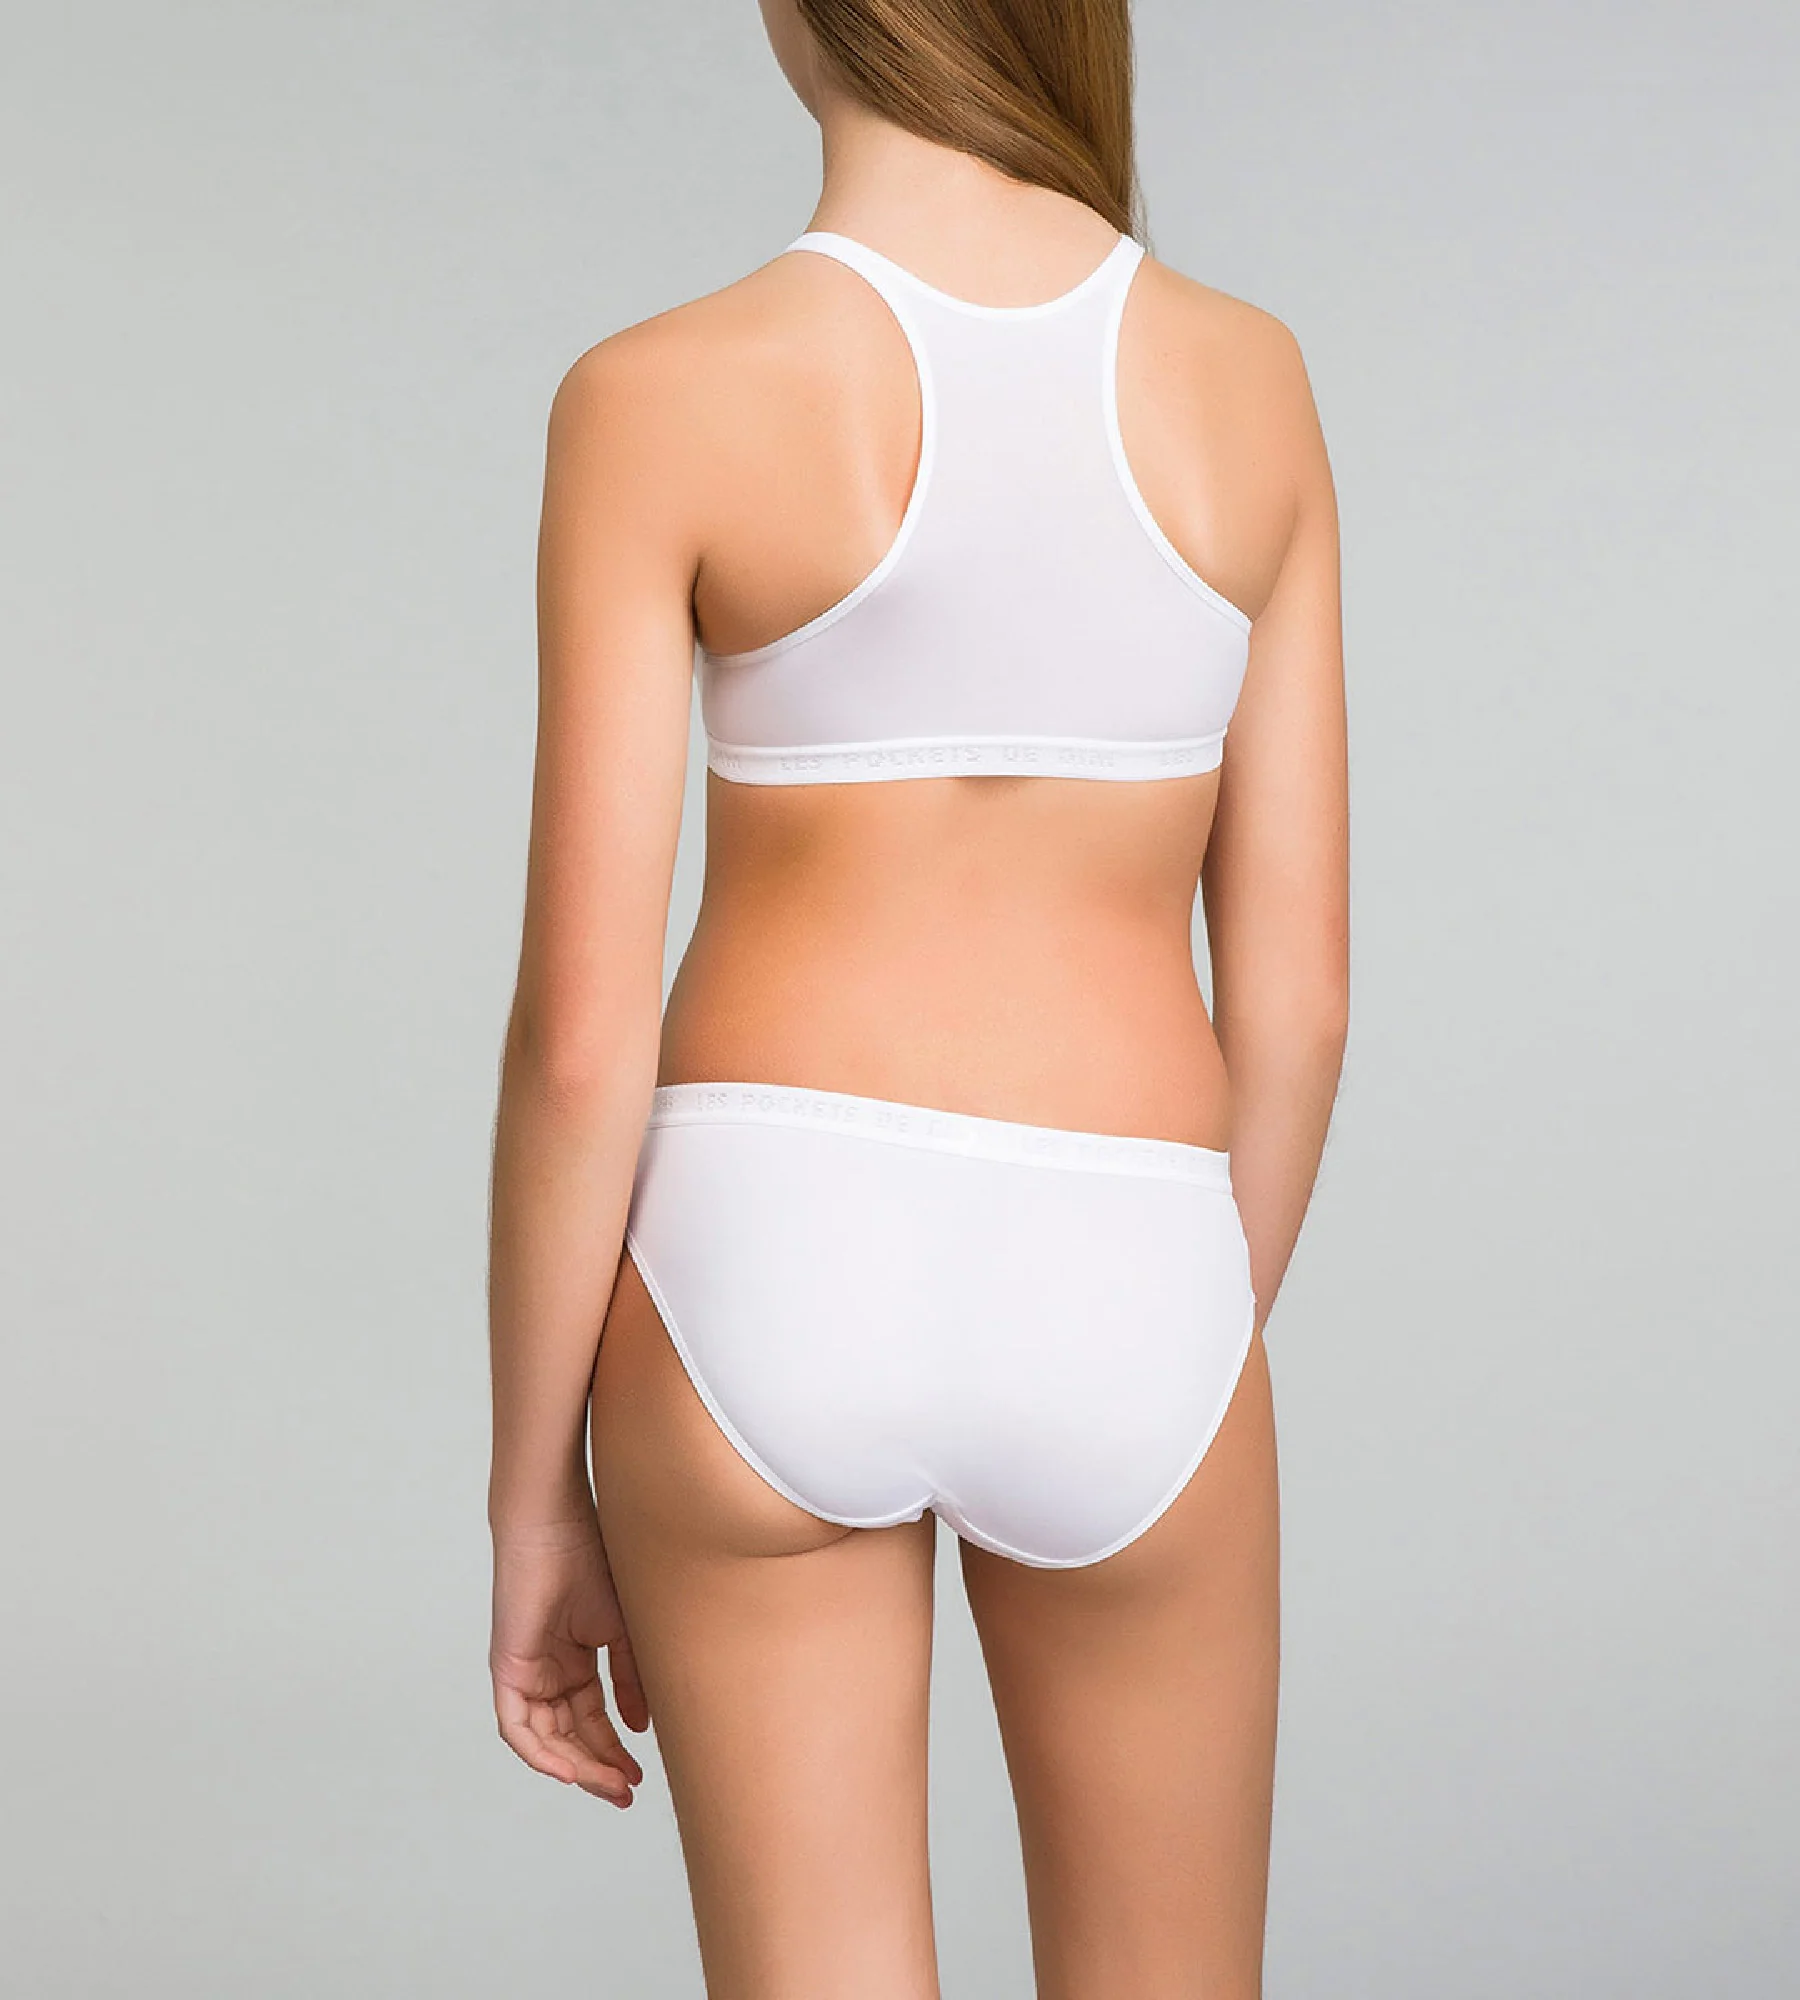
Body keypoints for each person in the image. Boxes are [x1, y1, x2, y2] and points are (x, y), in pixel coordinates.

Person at [486, 0, 1347, 1991]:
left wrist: (537, 1499)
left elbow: (583, 1035)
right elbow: (1299, 1002)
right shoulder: (1248, 382)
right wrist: (1165, 1330)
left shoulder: (658, 390)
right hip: (1133, 1238)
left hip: (760, 1258)